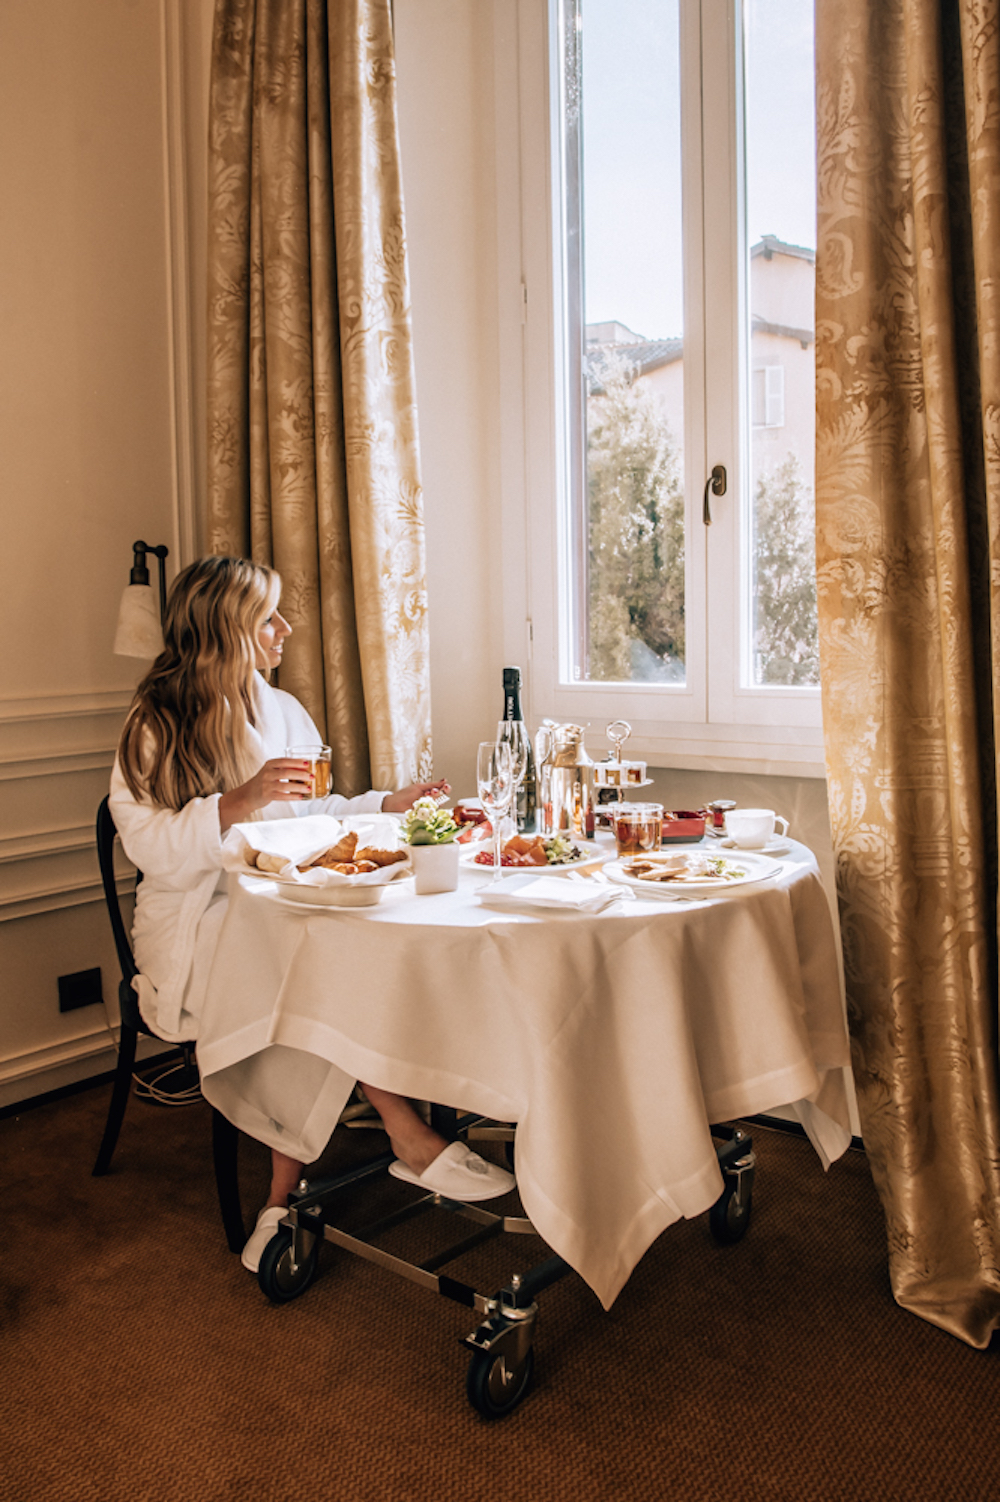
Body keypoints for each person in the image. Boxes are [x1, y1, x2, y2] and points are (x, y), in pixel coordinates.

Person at [110, 556, 513, 1272]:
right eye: (267, 617)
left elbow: (312, 812)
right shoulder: (155, 724)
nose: (285, 628)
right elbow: (150, 849)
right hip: (197, 919)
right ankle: (404, 1134)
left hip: (281, 907)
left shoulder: (281, 709)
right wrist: (236, 803)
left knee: (323, 962)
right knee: (301, 975)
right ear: (226, 630)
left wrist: (384, 803)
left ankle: (287, 1199)